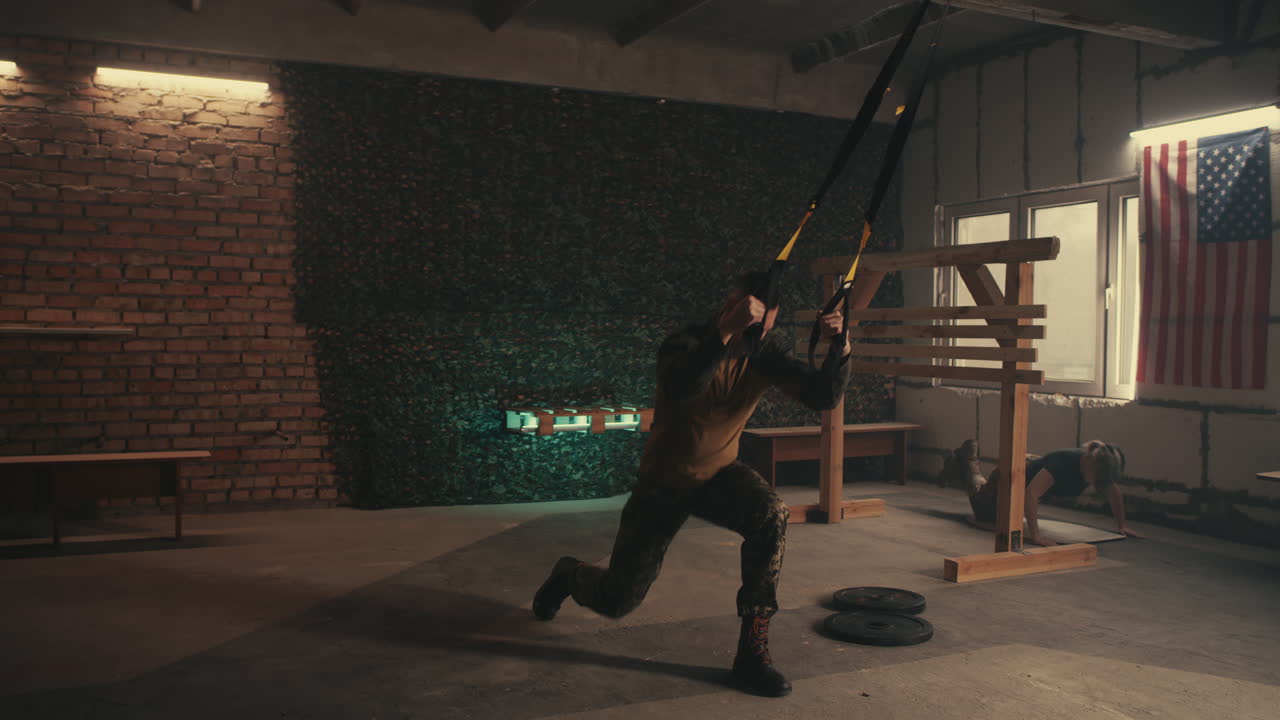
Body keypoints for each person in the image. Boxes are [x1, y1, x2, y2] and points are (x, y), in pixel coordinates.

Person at [530, 271, 853, 698]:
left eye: (766, 323)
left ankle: (752, 655)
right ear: (729, 305)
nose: (758, 331)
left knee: (771, 515)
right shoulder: (684, 344)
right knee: (617, 600)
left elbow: (822, 396)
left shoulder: (763, 354)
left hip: (720, 475)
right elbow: (683, 386)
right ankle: (569, 574)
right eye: (749, 319)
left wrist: (841, 346)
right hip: (662, 482)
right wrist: (724, 333)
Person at [967, 440, 1145, 546]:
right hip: (1009, 476)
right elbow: (1030, 494)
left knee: (1012, 514)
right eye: (1097, 479)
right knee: (984, 512)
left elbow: (1113, 490)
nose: (1098, 485)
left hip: (1029, 476)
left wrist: (1121, 525)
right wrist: (1035, 535)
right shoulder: (1063, 464)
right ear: (1090, 464)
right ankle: (968, 462)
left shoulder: (1097, 467)